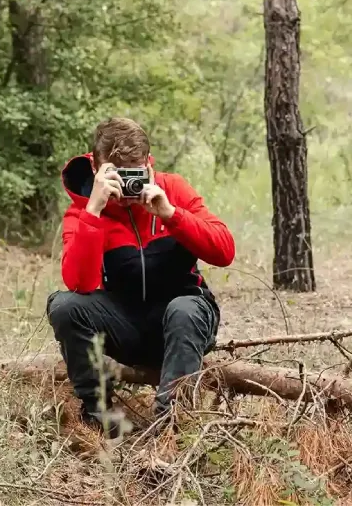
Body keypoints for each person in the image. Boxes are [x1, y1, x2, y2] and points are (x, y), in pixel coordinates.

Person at [45, 117, 235, 437]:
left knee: (184, 310)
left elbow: (224, 251)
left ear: (149, 164)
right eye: (120, 175)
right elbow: (78, 283)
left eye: (137, 173)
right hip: (124, 325)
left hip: (182, 320)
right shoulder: (85, 208)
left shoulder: (173, 188)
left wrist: (171, 215)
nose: (129, 186)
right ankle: (98, 414)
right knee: (64, 305)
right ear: (96, 169)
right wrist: (94, 209)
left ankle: (171, 424)